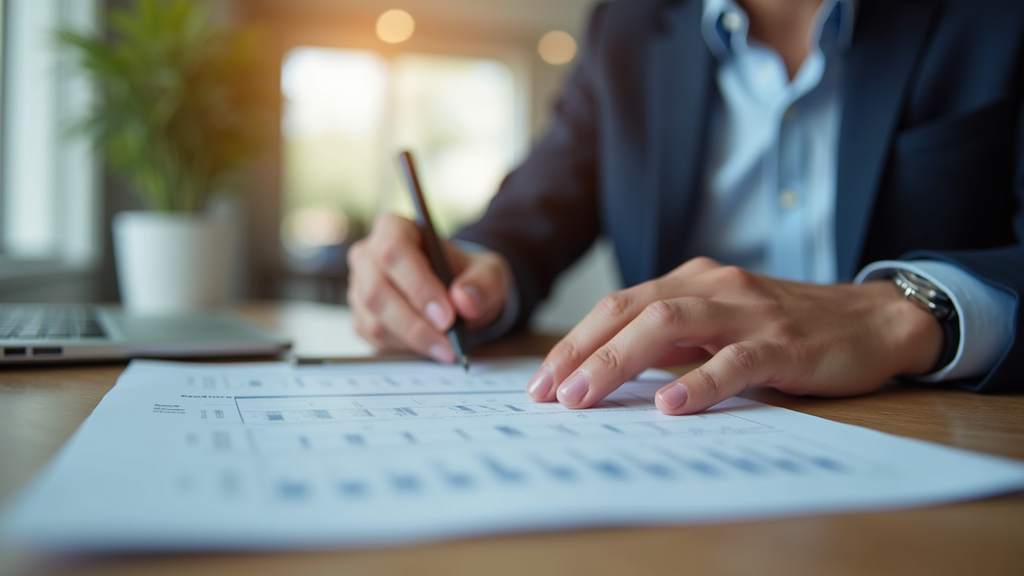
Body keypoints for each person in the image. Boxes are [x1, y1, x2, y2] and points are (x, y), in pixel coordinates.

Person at [346, 0, 1023, 415]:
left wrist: (904, 310)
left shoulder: (997, 17)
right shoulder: (628, 29)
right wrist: (469, 273)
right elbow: (529, 216)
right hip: (679, 430)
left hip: (924, 428)